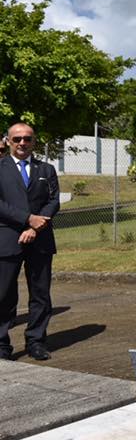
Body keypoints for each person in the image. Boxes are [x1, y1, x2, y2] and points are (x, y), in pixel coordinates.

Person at [0, 123, 60, 361]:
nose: (22, 143)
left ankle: (36, 341)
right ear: (8, 141)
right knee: (3, 294)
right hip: (7, 238)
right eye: (17, 139)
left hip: (40, 239)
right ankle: (2, 345)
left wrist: (37, 225)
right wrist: (27, 219)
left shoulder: (46, 169)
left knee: (41, 294)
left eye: (27, 138)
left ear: (34, 141)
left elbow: (53, 200)